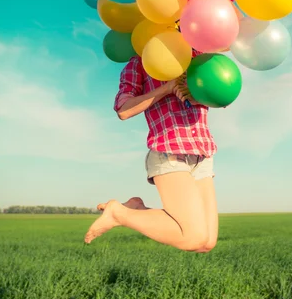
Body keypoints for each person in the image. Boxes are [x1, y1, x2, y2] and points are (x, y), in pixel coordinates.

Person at [84, 52, 218, 253]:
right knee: (193, 238)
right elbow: (124, 110)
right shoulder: (139, 63)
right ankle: (118, 213)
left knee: (207, 243)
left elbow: (221, 93)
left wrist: (202, 95)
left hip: (202, 152)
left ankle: (136, 208)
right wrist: (168, 87)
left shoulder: (198, 55)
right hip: (170, 150)